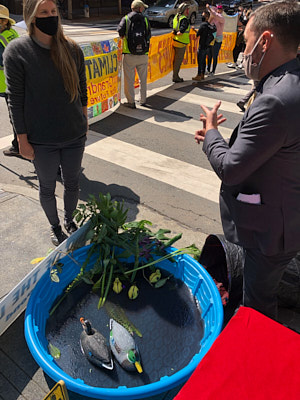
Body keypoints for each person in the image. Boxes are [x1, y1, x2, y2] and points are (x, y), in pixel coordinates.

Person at [195, 0, 300, 321]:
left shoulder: (275, 100)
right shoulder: (289, 84)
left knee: (258, 301)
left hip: (271, 232)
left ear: (265, 41)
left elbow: (231, 169)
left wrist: (211, 133)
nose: (244, 50)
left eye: (247, 40)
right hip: (285, 210)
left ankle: (257, 351)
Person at [3, 0, 88, 246]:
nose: (50, 16)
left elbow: (82, 87)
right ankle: (54, 225)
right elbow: (15, 100)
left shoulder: (71, 48)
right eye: (44, 12)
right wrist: (22, 140)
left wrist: (84, 118)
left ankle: (70, 220)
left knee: (73, 183)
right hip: (41, 140)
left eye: (53, 12)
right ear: (31, 17)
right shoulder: (17, 51)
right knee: (47, 187)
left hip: (73, 134)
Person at [117, 0, 151, 109]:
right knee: (143, 79)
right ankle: (143, 100)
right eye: (143, 8)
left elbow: (120, 32)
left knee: (129, 80)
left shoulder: (126, 19)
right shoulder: (145, 19)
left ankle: (131, 102)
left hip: (129, 54)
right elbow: (149, 35)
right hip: (143, 55)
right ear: (140, 8)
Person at [0, 5, 20, 158]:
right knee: (16, 116)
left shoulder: (1, 38)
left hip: (7, 82)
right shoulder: (12, 33)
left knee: (15, 116)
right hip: (12, 81)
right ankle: (18, 144)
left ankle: (19, 146)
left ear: (4, 22)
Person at [192, 10, 216, 81]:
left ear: (207, 17)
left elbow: (198, 34)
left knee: (200, 60)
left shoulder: (203, 25)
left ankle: (199, 75)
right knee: (204, 61)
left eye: (203, 15)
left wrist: (194, 30)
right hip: (207, 45)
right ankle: (202, 74)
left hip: (202, 45)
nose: (202, 16)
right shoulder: (209, 26)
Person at [172, 2, 191, 83]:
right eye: (188, 9)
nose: (189, 11)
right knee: (178, 61)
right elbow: (181, 32)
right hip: (181, 43)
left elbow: (174, 30)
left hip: (175, 41)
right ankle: (175, 77)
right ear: (185, 10)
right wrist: (177, 33)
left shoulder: (176, 17)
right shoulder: (184, 19)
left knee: (175, 60)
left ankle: (175, 75)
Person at [206, 3, 225, 75]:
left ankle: (213, 71)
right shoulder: (213, 16)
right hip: (211, 38)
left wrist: (210, 9)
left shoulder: (222, 18)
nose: (219, 10)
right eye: (218, 9)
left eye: (220, 9)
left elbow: (216, 16)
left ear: (222, 10)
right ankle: (208, 69)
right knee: (209, 54)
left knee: (214, 55)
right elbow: (209, 23)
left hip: (217, 39)